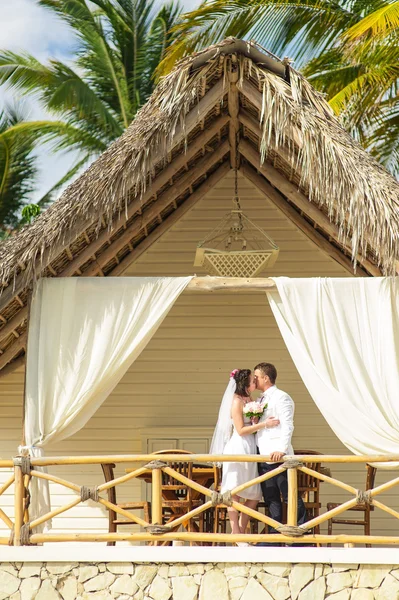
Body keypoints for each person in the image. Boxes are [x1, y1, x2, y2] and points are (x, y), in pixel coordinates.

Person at [210, 368, 280, 544]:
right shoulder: (236, 402)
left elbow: (249, 425)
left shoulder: (250, 399)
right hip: (238, 447)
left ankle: (241, 531)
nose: (254, 382)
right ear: (245, 383)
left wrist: (256, 420)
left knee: (254, 494)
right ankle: (236, 532)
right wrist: (264, 424)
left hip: (251, 446)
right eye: (252, 380)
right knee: (234, 491)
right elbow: (240, 430)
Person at [254, 362, 306, 539]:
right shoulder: (260, 400)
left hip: (279, 456)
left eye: (257, 377)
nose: (254, 380)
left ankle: (299, 535)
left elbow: (288, 425)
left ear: (265, 378)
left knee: (290, 496)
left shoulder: (282, 397)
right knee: (271, 498)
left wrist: (282, 450)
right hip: (263, 455)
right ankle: (273, 537)